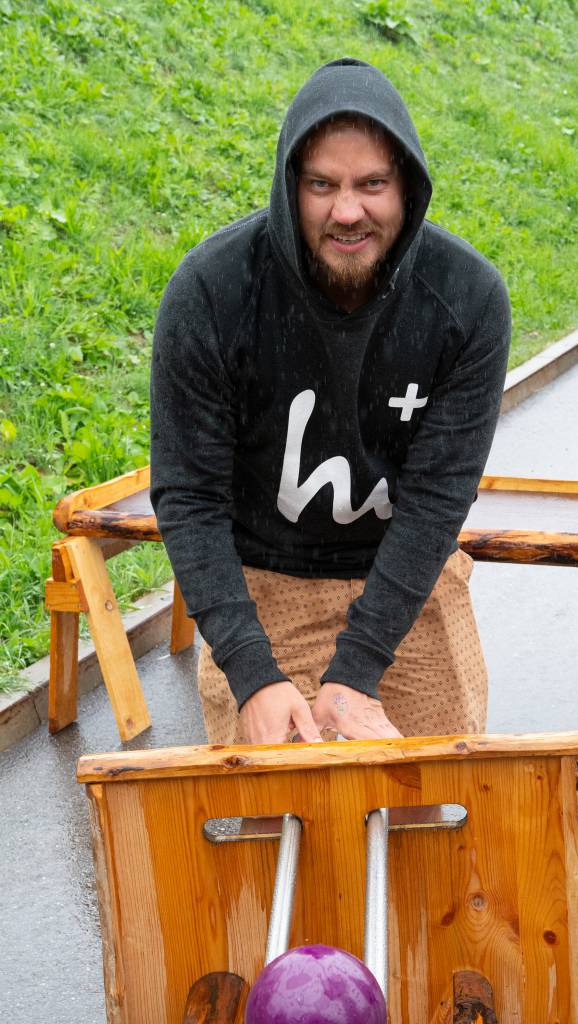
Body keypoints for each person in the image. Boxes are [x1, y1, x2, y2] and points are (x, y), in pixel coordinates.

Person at [150, 57, 511, 746]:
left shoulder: (465, 300)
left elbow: (437, 498)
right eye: (322, 185)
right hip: (261, 574)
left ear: (406, 187)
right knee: (271, 812)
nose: (348, 211)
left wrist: (358, 669)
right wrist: (252, 674)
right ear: (291, 187)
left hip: (404, 574)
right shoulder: (213, 291)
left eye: (371, 183)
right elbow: (189, 496)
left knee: (435, 795)